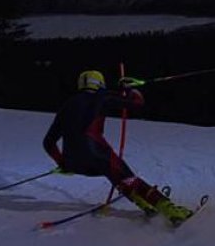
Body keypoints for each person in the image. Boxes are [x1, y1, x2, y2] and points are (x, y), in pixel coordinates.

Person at [43, 70, 193, 224]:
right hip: (98, 155)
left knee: (114, 174)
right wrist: (131, 89)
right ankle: (170, 210)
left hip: (76, 164)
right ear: (100, 83)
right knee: (128, 178)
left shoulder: (67, 105)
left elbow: (48, 142)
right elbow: (137, 103)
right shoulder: (103, 97)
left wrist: (63, 164)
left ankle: (144, 204)